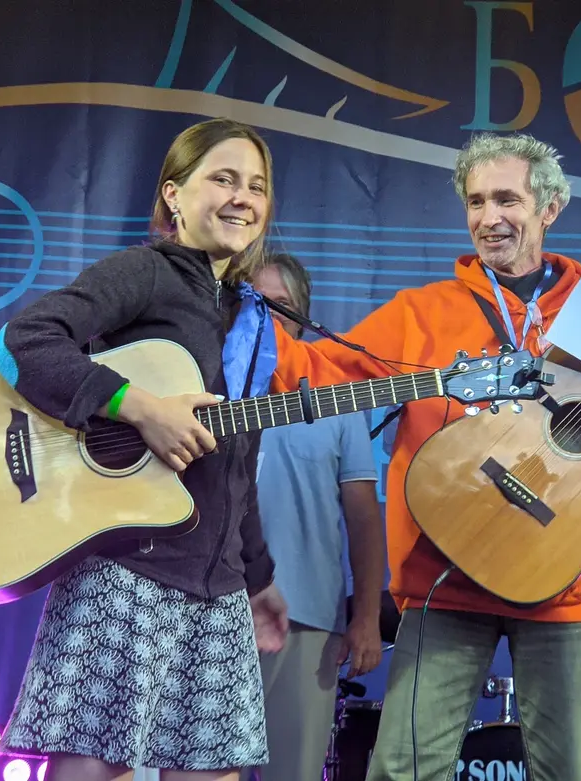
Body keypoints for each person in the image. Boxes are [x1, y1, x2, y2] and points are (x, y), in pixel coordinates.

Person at [266, 132, 581, 781]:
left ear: (549, 208)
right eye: (476, 201)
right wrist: (231, 304)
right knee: (402, 770)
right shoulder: (421, 314)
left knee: (577, 772)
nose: (490, 217)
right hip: (444, 576)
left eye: (507, 199)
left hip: (560, 581)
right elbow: (310, 373)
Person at [0, 118, 289, 781]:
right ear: (174, 195)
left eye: (257, 186)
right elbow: (23, 342)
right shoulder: (147, 273)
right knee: (94, 769)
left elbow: (235, 468)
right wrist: (139, 407)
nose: (243, 198)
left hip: (217, 588)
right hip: (127, 570)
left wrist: (258, 576)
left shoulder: (249, 318)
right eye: (224, 179)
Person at [243, 252, 386, 781]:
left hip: (306, 622)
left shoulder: (338, 395)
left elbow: (364, 520)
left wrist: (365, 617)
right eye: (253, 302)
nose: (265, 316)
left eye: (279, 305)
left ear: (302, 316)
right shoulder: (207, 383)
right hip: (208, 615)